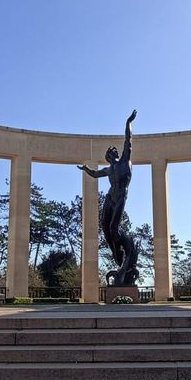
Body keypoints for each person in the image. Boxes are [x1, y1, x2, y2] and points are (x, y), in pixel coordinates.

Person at [78, 109, 138, 286]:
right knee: (104, 226)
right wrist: (86, 169)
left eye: (112, 155)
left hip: (120, 196)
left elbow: (129, 140)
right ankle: (115, 252)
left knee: (113, 227)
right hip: (110, 198)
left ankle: (121, 251)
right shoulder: (109, 170)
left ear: (117, 155)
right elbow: (96, 174)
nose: (110, 157)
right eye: (108, 156)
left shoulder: (125, 161)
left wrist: (128, 122)